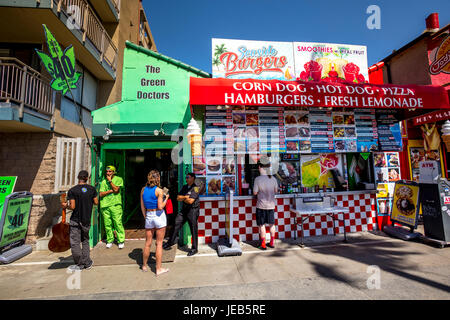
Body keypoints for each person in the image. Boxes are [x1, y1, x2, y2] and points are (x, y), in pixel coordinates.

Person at [64, 170, 98, 272]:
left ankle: (79, 264)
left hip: (75, 220)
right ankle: (87, 262)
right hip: (86, 219)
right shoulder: (92, 189)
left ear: (78, 178)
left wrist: (66, 206)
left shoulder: (72, 190)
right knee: (85, 241)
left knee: (75, 243)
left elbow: (73, 207)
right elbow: (96, 202)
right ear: (87, 178)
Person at [141, 170, 170, 275]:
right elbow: (160, 206)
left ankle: (144, 265)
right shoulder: (159, 190)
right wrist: (166, 198)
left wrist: (146, 217)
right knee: (159, 243)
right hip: (159, 217)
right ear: (158, 179)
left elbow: (142, 206)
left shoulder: (143, 190)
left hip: (149, 215)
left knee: (147, 243)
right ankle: (158, 269)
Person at [163, 172, 200, 256]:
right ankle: (170, 242)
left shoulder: (196, 188)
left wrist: (184, 198)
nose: (186, 179)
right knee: (176, 223)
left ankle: (194, 249)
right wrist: (185, 197)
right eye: (186, 177)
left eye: (188, 177)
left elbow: (191, 201)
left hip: (193, 211)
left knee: (193, 229)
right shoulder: (184, 187)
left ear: (193, 178)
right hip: (184, 210)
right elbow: (178, 198)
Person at [253, 161, 278, 250]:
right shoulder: (273, 179)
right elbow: (276, 191)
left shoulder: (258, 179)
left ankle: (263, 244)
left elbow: (255, 192)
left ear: (260, 167)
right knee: (272, 224)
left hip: (261, 206)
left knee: (262, 225)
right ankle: (271, 242)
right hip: (271, 206)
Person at [99, 165, 125, 249]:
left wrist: (110, 181)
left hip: (115, 204)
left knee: (117, 223)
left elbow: (116, 190)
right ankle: (110, 240)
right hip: (105, 205)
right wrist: (110, 190)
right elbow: (101, 194)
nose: (108, 173)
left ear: (114, 172)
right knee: (107, 224)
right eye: (107, 171)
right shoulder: (103, 182)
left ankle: (120, 240)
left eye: (110, 171)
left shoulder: (119, 179)